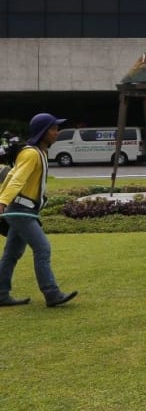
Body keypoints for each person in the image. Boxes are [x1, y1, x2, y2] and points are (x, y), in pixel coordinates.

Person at [0, 113, 78, 308]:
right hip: (19, 210)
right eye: (53, 129)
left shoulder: (39, 152)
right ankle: (52, 293)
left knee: (11, 254)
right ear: (42, 132)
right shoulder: (31, 153)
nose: (56, 132)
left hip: (22, 210)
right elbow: (16, 178)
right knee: (42, 248)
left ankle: (1, 293)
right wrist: (2, 201)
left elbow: (10, 176)